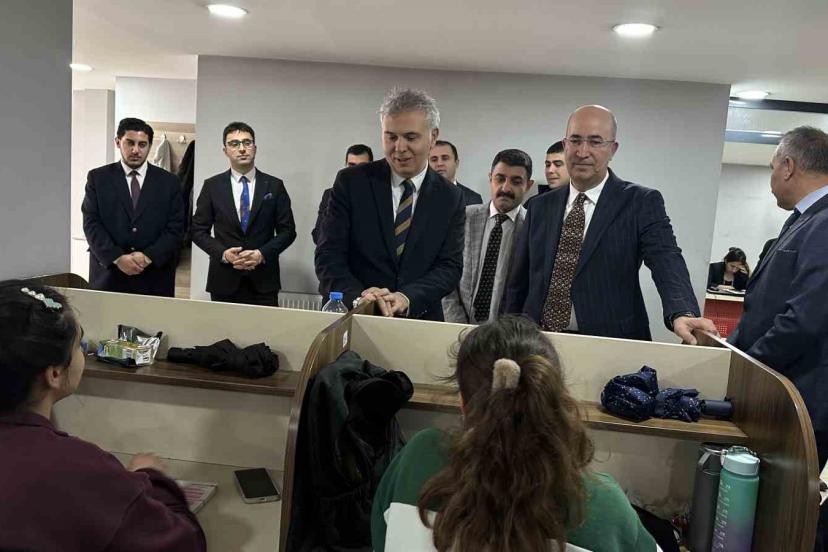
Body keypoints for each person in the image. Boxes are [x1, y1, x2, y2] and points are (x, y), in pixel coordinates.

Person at [371, 315, 657, 551]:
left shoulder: (418, 460)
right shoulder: (601, 505)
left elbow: (380, 539)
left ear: (464, 404)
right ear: (554, 401)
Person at [0, 281, 206, 552]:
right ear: (55, 374)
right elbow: (185, 543)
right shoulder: (77, 470)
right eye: (78, 345)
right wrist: (153, 480)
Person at [505, 105, 715, 342]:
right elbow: (518, 284)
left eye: (595, 142)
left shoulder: (639, 202)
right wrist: (509, 335)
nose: (582, 152)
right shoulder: (539, 206)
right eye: (575, 140)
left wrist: (682, 312)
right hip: (538, 343)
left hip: (610, 344)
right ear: (565, 145)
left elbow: (666, 258)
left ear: (613, 149)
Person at [315, 88, 465, 321]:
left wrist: (406, 297)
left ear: (433, 136)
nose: (400, 147)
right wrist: (360, 298)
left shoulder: (450, 197)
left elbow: (449, 267)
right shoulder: (351, 183)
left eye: (411, 137)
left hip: (419, 321)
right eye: (391, 137)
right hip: (356, 317)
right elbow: (328, 255)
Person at [192, 122, 296, 306]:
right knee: (223, 326)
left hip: (264, 281)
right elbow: (197, 230)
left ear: (255, 148)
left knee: (264, 326)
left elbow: (288, 231)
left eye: (247, 142)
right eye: (234, 144)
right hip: (224, 279)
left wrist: (261, 254)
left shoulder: (274, 186)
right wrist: (223, 253)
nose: (241, 149)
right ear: (225, 151)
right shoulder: (212, 186)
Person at [82, 118, 185, 296]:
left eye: (142, 144)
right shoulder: (98, 178)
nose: (136, 150)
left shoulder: (169, 182)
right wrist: (117, 258)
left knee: (152, 316)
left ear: (150, 146)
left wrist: (148, 257)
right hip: (109, 275)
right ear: (117, 142)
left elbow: (176, 227)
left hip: (155, 277)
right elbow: (91, 223)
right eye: (130, 143)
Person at [442, 149, 533, 324]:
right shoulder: (464, 217)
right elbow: (447, 275)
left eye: (516, 181)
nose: (505, 188)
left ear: (528, 185)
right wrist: (458, 326)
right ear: (490, 178)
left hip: (507, 332)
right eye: (500, 179)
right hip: (458, 326)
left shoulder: (533, 226)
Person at [312, 144, 374, 245]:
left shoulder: (381, 195)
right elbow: (318, 235)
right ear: (345, 166)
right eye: (351, 165)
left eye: (362, 166)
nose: (356, 170)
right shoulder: (330, 195)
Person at [429, 140, 484, 206]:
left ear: (456, 163)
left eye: (445, 158)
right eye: (434, 160)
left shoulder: (473, 199)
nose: (439, 164)